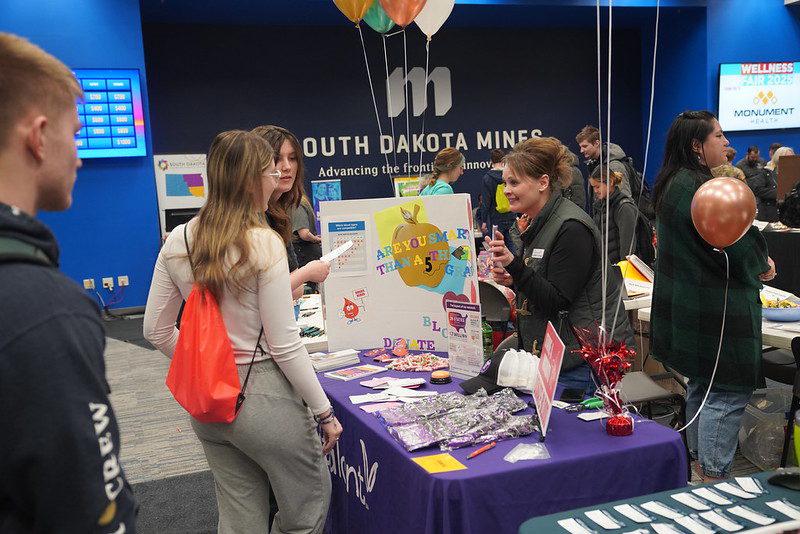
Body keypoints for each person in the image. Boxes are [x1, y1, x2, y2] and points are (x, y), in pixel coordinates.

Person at [143, 130, 342, 533]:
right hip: (264, 396)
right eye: (271, 171)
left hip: (207, 405)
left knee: (239, 521)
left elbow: (156, 331)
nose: (277, 178)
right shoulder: (262, 243)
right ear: (252, 178)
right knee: (306, 515)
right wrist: (325, 412)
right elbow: (285, 345)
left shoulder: (179, 239)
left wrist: (206, 366)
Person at [0, 32, 137, 532]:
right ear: (38, 137)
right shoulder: (47, 310)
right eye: (75, 134)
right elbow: (93, 512)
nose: (79, 156)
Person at [649, 110, 775, 482]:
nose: (726, 143)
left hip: (695, 311)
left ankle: (698, 471)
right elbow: (743, 246)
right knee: (727, 394)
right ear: (696, 146)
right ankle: (714, 479)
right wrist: (762, 263)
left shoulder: (673, 182)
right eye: (718, 136)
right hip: (718, 311)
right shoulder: (703, 189)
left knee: (703, 387)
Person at [485, 137, 634, 395]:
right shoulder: (540, 222)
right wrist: (514, 278)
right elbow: (547, 278)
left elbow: (557, 300)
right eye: (505, 182)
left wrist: (515, 265)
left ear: (543, 182)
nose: (507, 190)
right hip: (559, 355)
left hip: (580, 360)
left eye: (514, 182)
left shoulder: (571, 227)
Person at [252, 125, 329, 298]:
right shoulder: (251, 219)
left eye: (293, 158)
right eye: (277, 159)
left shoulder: (279, 214)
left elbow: (293, 289)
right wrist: (306, 273)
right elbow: (255, 293)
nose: (286, 167)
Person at [588, 168, 638, 265]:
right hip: (608, 269)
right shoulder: (599, 206)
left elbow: (628, 248)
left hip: (621, 271)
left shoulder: (624, 208)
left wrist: (622, 272)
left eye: (598, 187)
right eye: (593, 187)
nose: (595, 191)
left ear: (610, 182)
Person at [575, 125, 633, 197]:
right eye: (580, 147)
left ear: (597, 143)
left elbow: (625, 197)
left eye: (585, 146)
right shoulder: (594, 165)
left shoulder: (614, 166)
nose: (581, 151)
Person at [479, 148, 517, 254]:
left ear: (491, 161)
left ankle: (499, 269)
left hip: (496, 218)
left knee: (497, 246)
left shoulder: (487, 178)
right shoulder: (509, 175)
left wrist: (484, 221)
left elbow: (486, 202)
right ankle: (515, 268)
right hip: (511, 214)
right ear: (503, 160)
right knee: (512, 244)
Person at [749, 146, 795, 222]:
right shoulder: (765, 172)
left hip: (789, 214)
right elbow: (758, 190)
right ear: (778, 158)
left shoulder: (794, 174)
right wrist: (780, 193)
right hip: (769, 214)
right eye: (787, 157)